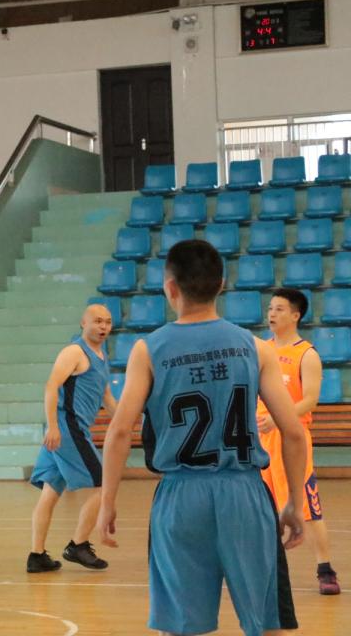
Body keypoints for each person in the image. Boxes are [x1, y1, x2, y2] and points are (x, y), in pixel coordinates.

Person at [97, 240, 307, 636]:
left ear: (170, 287)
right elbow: (293, 433)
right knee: (267, 624)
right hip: (245, 492)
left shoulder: (148, 350)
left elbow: (120, 431)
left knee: (180, 626)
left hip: (180, 495)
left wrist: (107, 501)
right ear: (221, 285)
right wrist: (294, 501)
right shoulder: (255, 348)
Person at [27, 303, 118, 572]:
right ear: (83, 323)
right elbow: (51, 386)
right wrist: (53, 427)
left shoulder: (102, 356)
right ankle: (78, 545)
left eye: (108, 322)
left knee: (50, 492)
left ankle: (37, 555)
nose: (103, 326)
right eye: (98, 321)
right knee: (103, 484)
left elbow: (106, 396)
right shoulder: (74, 352)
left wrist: (127, 420)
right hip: (68, 428)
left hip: (71, 429)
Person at [261, 288, 340, 595]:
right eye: (271, 308)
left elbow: (310, 400)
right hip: (260, 440)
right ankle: (264, 568)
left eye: (279, 309)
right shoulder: (261, 350)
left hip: (291, 440)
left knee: (307, 506)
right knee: (261, 507)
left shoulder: (307, 354)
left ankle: (325, 570)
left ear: (295, 315)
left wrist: (279, 417)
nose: (272, 313)